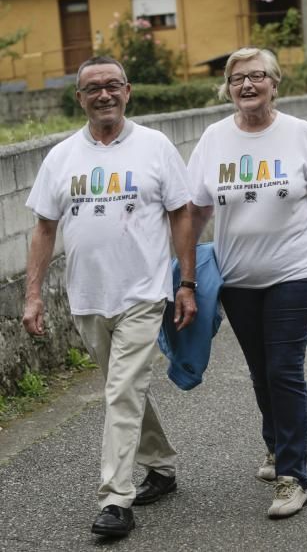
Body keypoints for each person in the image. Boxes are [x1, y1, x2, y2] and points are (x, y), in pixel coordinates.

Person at [22, 56, 197, 538]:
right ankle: (160, 465)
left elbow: (181, 214)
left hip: (143, 292)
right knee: (127, 388)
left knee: (120, 391)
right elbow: (42, 228)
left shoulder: (155, 147)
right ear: (79, 98)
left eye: (112, 85)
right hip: (87, 298)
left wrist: (186, 282)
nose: (104, 94)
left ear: (128, 91)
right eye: (93, 88)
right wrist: (33, 296)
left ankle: (115, 501)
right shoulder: (61, 157)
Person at [188, 47, 307, 519]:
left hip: (296, 272)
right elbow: (196, 211)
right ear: (227, 87)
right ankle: (275, 446)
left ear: (275, 83)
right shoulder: (213, 138)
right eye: (238, 78)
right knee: (261, 371)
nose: (247, 85)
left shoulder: (299, 134)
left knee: (284, 368)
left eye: (257, 76)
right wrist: (184, 274)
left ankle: (293, 476)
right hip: (238, 279)